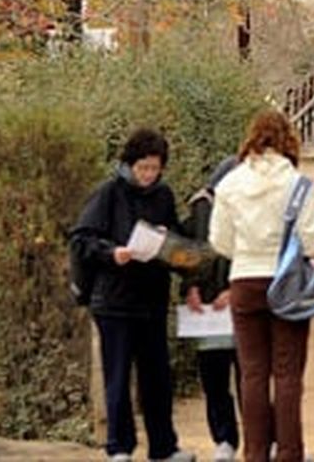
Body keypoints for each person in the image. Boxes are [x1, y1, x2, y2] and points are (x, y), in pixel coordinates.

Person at [210, 110, 314, 462]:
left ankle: (255, 452)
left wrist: (245, 253)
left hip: (245, 278)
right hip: (286, 281)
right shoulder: (298, 183)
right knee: (288, 373)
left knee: (252, 373)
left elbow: (219, 241)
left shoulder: (230, 183)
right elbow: (311, 242)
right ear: (287, 141)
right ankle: (290, 452)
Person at [72, 128, 196, 462]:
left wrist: (172, 244)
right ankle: (120, 446)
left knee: (157, 377)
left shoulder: (163, 195)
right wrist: (112, 253)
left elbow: (176, 242)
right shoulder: (109, 193)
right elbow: (81, 239)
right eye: (143, 168)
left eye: (154, 169)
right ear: (130, 164)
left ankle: (163, 446)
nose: (148, 175)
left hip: (152, 299)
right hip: (114, 300)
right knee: (117, 376)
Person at [183, 157, 242, 462]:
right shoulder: (200, 206)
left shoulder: (251, 206)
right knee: (214, 375)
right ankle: (224, 438)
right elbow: (189, 251)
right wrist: (190, 287)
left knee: (252, 377)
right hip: (208, 308)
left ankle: (264, 438)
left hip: (243, 301)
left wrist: (235, 290)